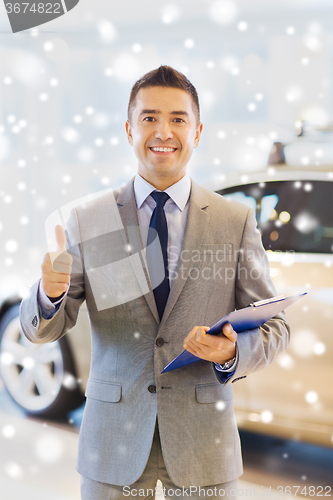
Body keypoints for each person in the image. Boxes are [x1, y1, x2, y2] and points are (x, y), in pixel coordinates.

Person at [20, 65, 290, 500]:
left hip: (205, 447)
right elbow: (42, 330)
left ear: (197, 131)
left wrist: (231, 352)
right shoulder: (89, 220)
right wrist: (49, 295)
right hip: (113, 447)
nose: (163, 131)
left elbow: (276, 326)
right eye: (149, 118)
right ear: (129, 130)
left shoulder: (233, 221)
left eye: (178, 119)